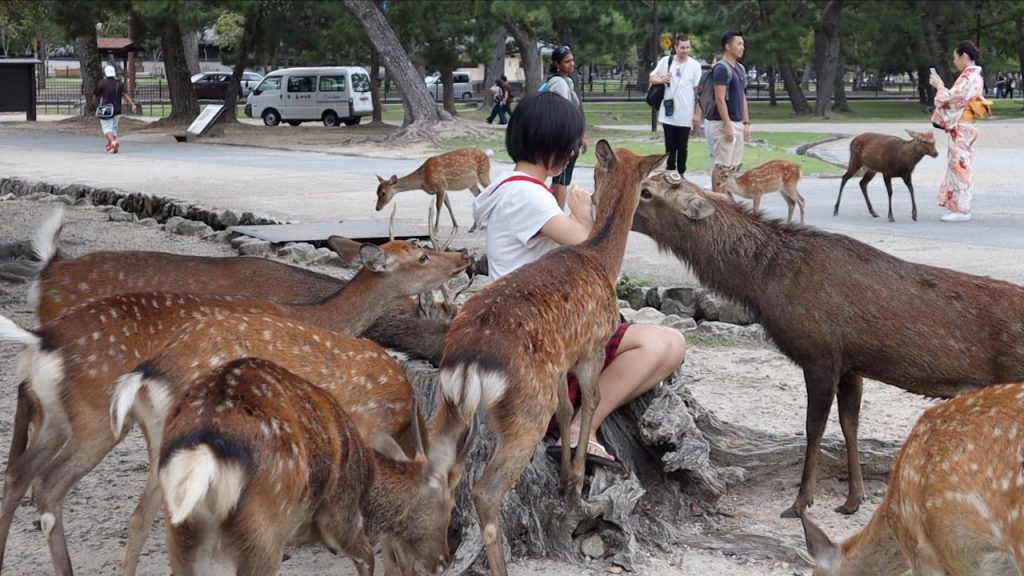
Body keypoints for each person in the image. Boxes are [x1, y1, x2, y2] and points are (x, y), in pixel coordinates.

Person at [471, 92, 687, 464]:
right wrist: (583, 211)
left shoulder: (516, 190)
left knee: (670, 344)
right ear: (556, 150)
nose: (574, 154)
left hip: (537, 326)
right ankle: (576, 427)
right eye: (572, 147)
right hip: (540, 338)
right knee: (663, 345)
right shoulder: (526, 195)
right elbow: (593, 252)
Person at [930, 40, 984, 223]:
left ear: (964, 56)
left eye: (956, 57)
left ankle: (962, 209)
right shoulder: (973, 76)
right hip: (966, 127)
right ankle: (959, 207)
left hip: (962, 126)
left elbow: (951, 99)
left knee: (960, 166)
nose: (954, 61)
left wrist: (939, 86)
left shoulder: (969, 77)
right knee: (960, 164)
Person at [649, 34, 702, 176]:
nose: (685, 50)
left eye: (687, 47)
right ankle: (670, 170)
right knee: (670, 145)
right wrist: (660, 80)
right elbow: (652, 77)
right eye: (682, 47)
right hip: (668, 111)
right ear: (675, 47)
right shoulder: (666, 61)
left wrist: (697, 113)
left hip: (685, 113)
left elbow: (698, 92)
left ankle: (681, 172)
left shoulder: (695, 66)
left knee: (682, 146)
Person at [545, 46, 589, 200]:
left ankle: (551, 211)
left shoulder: (567, 81)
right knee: (561, 181)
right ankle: (557, 215)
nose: (572, 64)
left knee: (560, 180)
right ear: (557, 64)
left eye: (572, 60)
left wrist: (581, 135)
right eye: (567, 61)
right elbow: (562, 113)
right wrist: (568, 142)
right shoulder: (559, 83)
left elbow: (575, 109)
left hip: (571, 137)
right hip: (564, 138)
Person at [707, 31, 750, 187]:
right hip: (724, 122)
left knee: (732, 167)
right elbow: (720, 98)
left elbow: (743, 96)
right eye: (739, 44)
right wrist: (727, 125)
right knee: (722, 166)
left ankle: (727, 199)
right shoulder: (721, 69)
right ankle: (718, 200)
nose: (742, 47)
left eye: (743, 44)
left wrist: (746, 123)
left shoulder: (740, 68)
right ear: (727, 46)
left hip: (738, 121)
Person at [92, 64, 138, 154]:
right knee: (113, 128)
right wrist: (132, 105)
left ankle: (113, 143)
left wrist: (94, 104)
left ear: (105, 73)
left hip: (106, 109)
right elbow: (125, 95)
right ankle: (112, 147)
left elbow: (95, 96)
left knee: (106, 128)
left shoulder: (102, 83)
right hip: (117, 109)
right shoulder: (119, 84)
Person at [704, 54, 724, 169]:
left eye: (714, 63)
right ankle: (713, 177)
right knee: (712, 151)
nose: (712, 66)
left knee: (723, 153)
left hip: (720, 119)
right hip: (710, 118)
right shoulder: (708, 79)